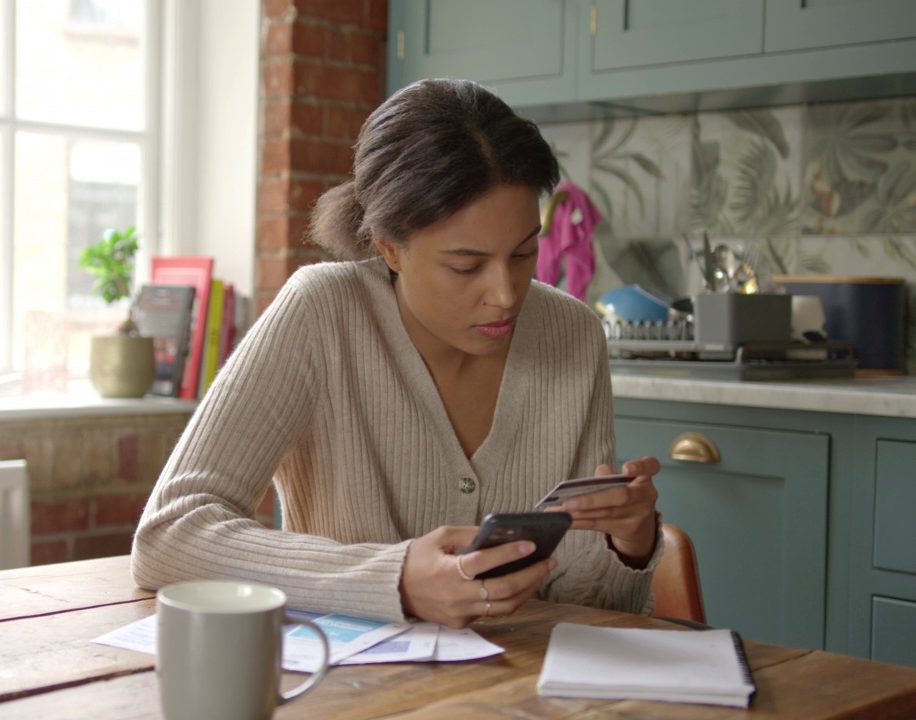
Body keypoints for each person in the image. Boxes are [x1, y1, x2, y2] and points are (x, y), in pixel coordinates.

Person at [131, 78, 662, 628]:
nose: (505, 294)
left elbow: (597, 616)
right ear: (390, 248)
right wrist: (393, 579)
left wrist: (630, 544)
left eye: (525, 252)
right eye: (465, 265)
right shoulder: (323, 313)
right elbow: (170, 535)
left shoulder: (572, 334)